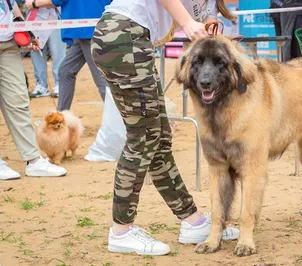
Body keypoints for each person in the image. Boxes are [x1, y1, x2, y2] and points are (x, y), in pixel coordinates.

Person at [90, 0, 239, 256]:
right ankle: (121, 231)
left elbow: (200, 18)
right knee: (144, 137)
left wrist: (205, 24)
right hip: (125, 33)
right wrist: (188, 23)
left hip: (130, 38)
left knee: (158, 136)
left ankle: (192, 220)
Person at [0, 0, 67, 180]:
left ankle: (33, 160)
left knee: (18, 102)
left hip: (7, 43)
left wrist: (27, 31)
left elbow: (10, 3)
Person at [25, 0, 110, 111]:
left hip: (88, 29)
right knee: (65, 72)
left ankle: (117, 120)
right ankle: (61, 116)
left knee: (101, 79)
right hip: (85, 28)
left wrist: (35, 3)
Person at [29, 7, 66, 98]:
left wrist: (36, 2)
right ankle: (41, 85)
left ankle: (59, 84)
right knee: (35, 50)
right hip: (34, 14)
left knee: (58, 51)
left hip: (54, 13)